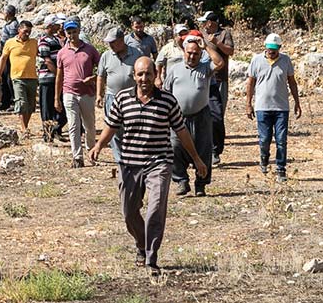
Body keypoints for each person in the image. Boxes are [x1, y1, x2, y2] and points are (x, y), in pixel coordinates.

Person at [90, 57, 208, 276]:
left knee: (155, 209)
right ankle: (142, 244)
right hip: (130, 163)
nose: (144, 78)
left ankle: (151, 258)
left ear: (156, 75)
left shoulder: (167, 101)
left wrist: (196, 158)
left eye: (148, 74)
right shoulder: (122, 98)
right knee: (129, 211)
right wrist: (98, 145)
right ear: (133, 76)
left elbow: (181, 131)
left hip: (159, 162)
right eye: (140, 74)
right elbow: (111, 126)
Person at [162, 35, 225, 197]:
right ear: (184, 52)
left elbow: (220, 63)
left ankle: (201, 184)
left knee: (203, 149)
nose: (192, 56)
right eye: (189, 52)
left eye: (196, 53)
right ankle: (181, 180)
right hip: (178, 117)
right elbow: (166, 92)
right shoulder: (174, 69)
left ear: (200, 54)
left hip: (201, 116)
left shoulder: (205, 68)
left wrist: (206, 47)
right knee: (175, 147)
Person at [246, 34, 302, 182]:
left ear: (279, 48)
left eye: (275, 48)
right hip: (262, 107)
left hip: (281, 107)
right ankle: (264, 158)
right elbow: (250, 83)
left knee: (281, 140)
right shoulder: (256, 60)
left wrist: (297, 102)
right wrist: (248, 104)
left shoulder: (285, 60)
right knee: (265, 139)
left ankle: (281, 169)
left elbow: (292, 82)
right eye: (269, 48)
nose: (271, 51)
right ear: (265, 47)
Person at [55, 20, 101, 169]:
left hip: (87, 93)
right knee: (73, 125)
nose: (72, 35)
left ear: (79, 31)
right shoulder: (62, 52)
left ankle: (91, 152)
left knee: (89, 126)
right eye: (69, 32)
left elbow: (102, 69)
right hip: (69, 92)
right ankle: (77, 157)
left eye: (74, 31)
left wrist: (93, 78)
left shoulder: (90, 49)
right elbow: (59, 76)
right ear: (65, 33)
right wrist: (56, 98)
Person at [97, 28, 139, 165]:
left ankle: (132, 157)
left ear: (121, 40)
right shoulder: (106, 56)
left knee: (131, 128)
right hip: (112, 97)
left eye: (113, 42)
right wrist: (99, 95)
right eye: (109, 42)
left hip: (132, 98)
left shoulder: (136, 54)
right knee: (113, 129)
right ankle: (120, 160)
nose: (110, 45)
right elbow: (101, 76)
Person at [199, 11, 235, 166]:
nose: (203, 24)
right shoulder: (201, 33)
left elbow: (230, 51)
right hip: (202, 79)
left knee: (217, 114)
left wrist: (217, 43)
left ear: (211, 22)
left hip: (219, 80)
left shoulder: (224, 34)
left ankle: (215, 149)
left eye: (205, 21)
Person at [0, 20, 39, 135]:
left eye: (29, 31)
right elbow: (3, 58)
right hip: (17, 77)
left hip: (32, 77)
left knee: (31, 104)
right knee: (21, 102)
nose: (27, 34)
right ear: (19, 30)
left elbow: (42, 55)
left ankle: (25, 126)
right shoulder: (10, 42)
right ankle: (24, 128)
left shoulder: (34, 42)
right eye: (25, 31)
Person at [37, 17, 67, 143]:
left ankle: (56, 131)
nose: (58, 27)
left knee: (60, 107)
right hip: (47, 78)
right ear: (50, 26)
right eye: (56, 25)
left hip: (56, 79)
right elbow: (47, 61)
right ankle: (48, 134)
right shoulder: (44, 41)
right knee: (47, 108)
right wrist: (58, 75)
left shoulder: (55, 39)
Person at [0, 6, 19, 112]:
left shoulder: (13, 25)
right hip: (5, 54)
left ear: (8, 14)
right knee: (4, 78)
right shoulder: (9, 22)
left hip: (9, 55)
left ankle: (13, 102)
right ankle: (5, 102)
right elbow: (1, 16)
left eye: (4, 12)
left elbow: (12, 41)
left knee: (10, 78)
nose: (3, 14)